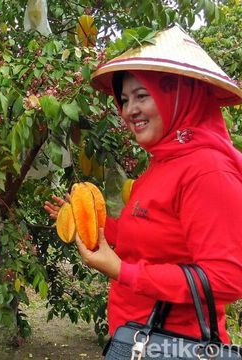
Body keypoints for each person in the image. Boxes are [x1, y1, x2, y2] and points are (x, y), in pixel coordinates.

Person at [44, 26, 242, 344]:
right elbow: (145, 236)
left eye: (142, 95)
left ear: (176, 96)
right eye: (124, 99)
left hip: (174, 344)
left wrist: (123, 272)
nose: (129, 110)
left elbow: (226, 279)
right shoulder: (163, 162)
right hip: (134, 337)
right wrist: (87, 223)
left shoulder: (208, 170)